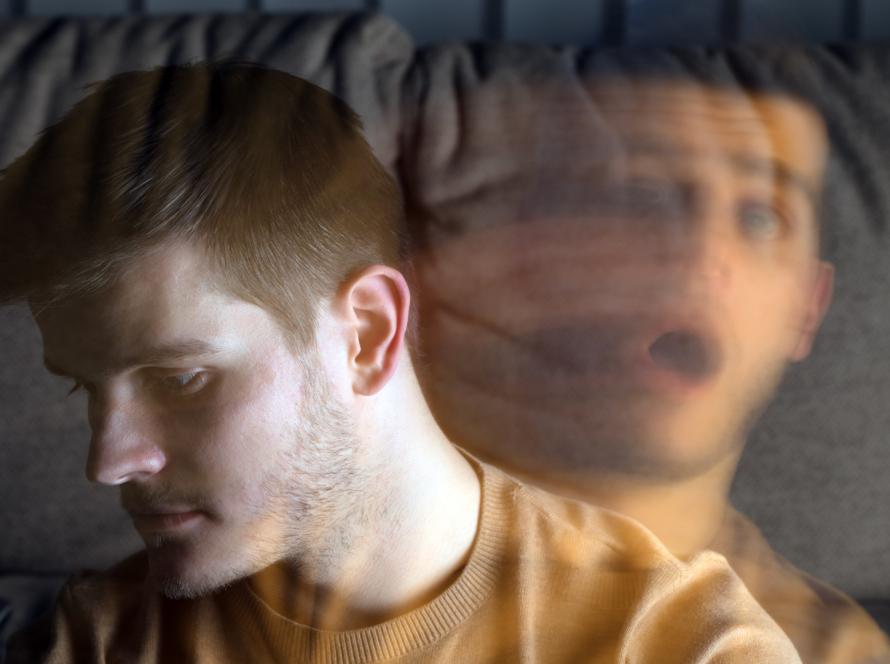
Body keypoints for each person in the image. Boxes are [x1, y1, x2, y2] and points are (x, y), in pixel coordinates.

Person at [0, 62, 802, 663]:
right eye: (85, 388)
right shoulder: (97, 639)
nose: (108, 460)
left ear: (368, 333)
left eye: (180, 379)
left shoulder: (675, 642)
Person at [409, 76, 890, 662]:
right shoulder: (378, 566)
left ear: (806, 309)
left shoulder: (836, 649)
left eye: (762, 218)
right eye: (643, 198)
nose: (703, 253)